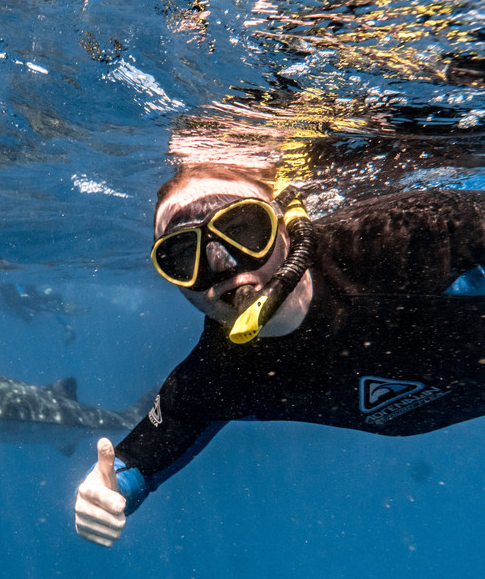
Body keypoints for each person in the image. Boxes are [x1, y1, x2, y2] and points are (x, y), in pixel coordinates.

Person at [74, 164, 485, 547]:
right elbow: (129, 467)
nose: (227, 266)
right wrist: (103, 491)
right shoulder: (218, 377)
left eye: (244, 231)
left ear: (286, 225)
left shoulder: (414, 239)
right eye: (185, 256)